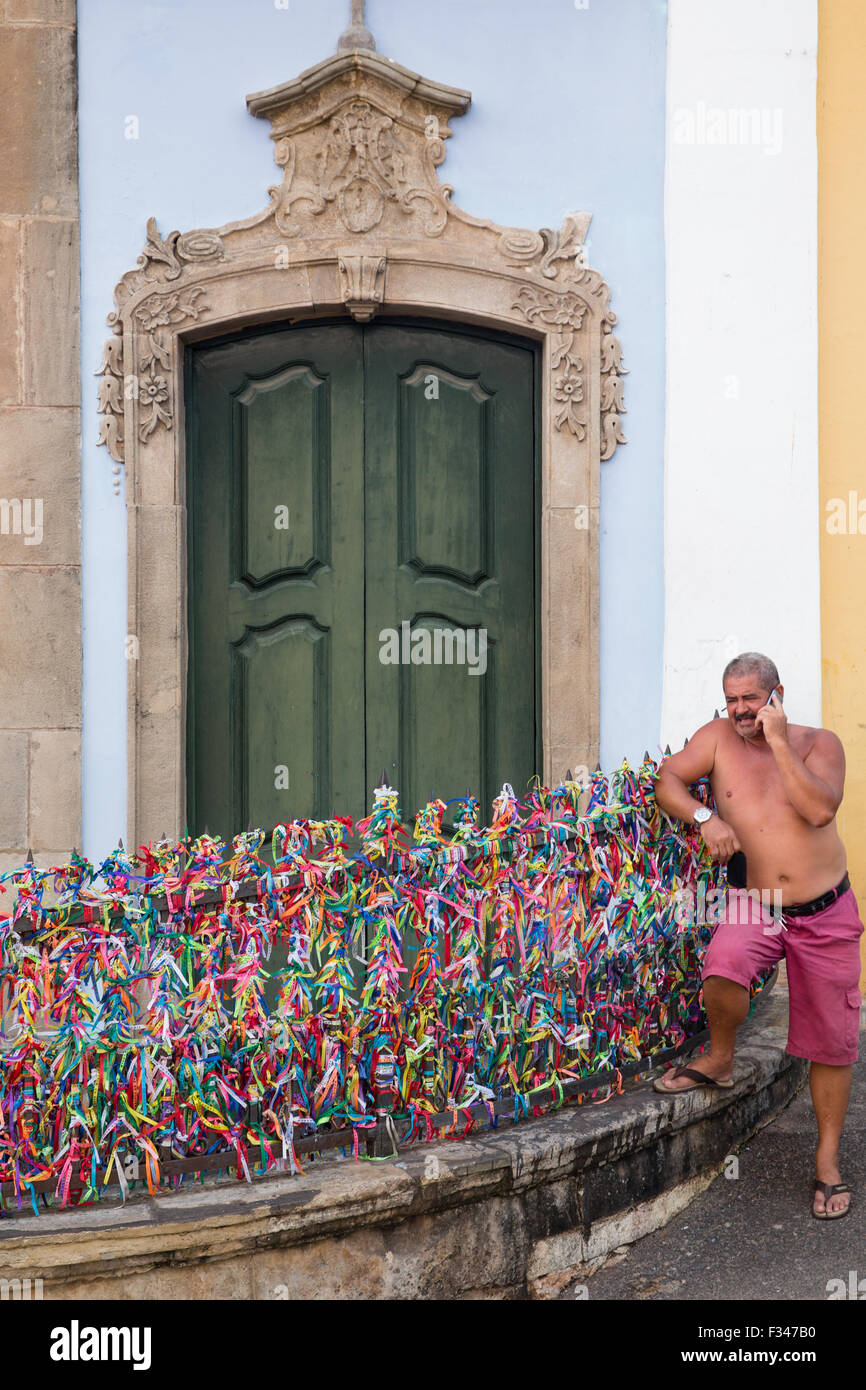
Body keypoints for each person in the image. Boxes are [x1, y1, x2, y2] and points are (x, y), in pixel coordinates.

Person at [652, 652, 863, 1219]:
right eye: (732, 699)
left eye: (751, 698)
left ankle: (826, 1164)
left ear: (776, 695)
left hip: (825, 910)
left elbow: (818, 810)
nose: (740, 710)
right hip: (756, 901)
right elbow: (667, 778)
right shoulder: (717, 738)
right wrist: (704, 818)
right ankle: (721, 1057)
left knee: (831, 1041)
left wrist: (778, 743)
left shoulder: (820, 743)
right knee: (722, 966)